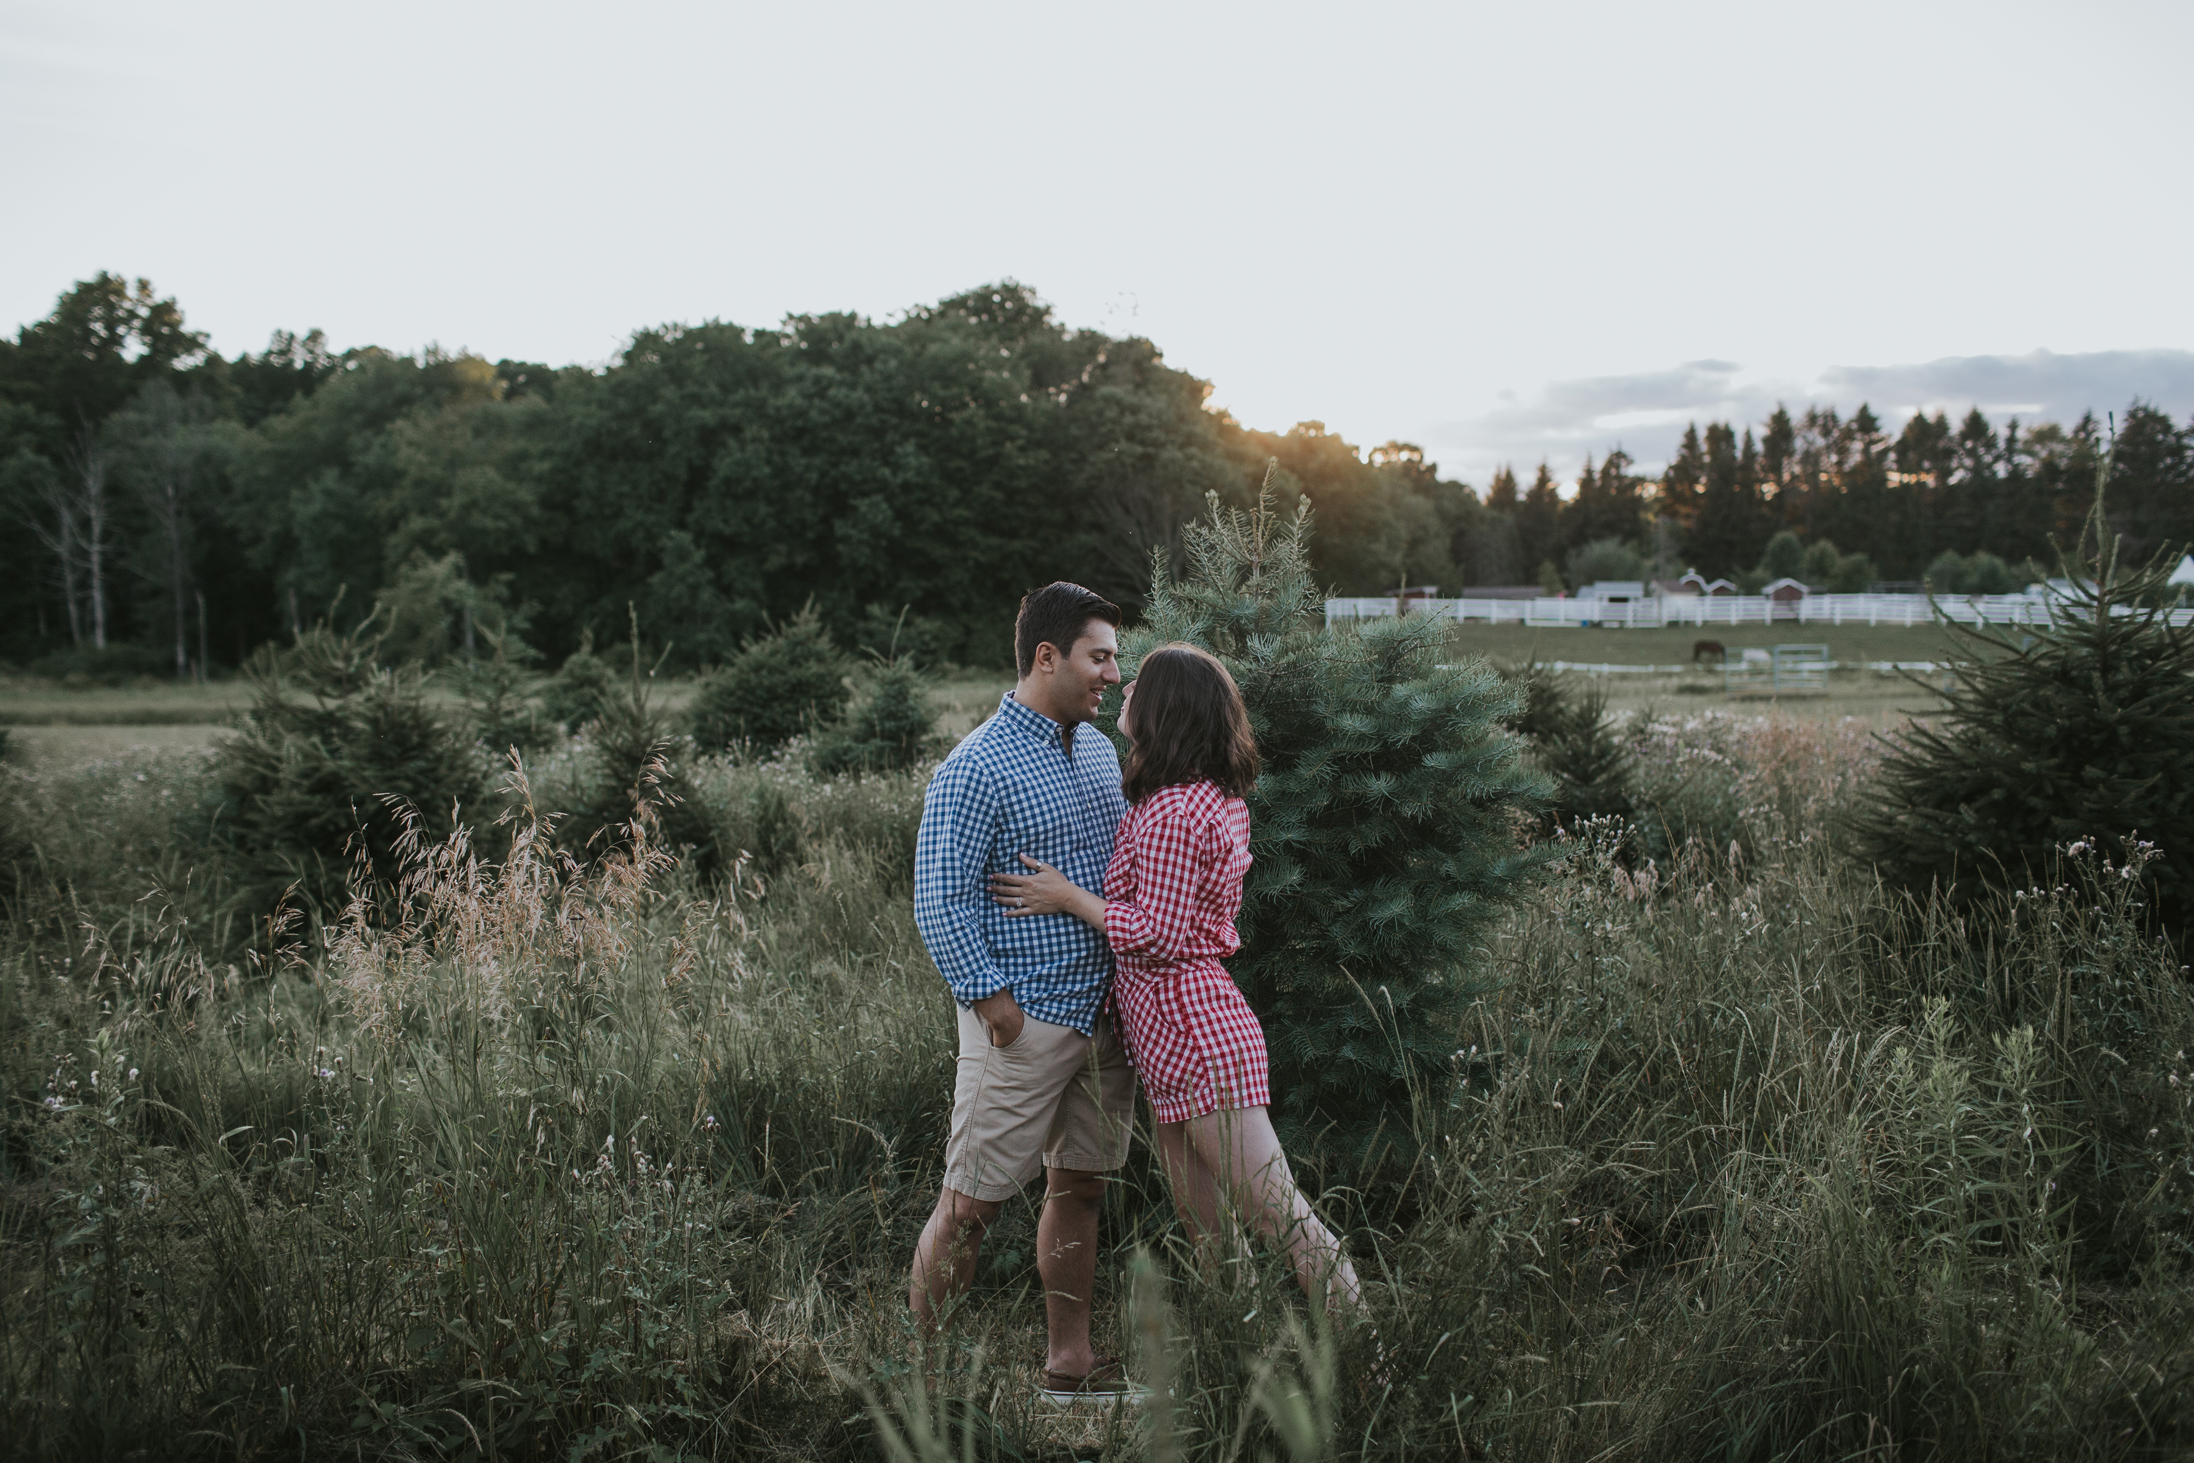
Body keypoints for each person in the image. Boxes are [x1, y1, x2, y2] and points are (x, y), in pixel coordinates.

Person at [992, 642, 1363, 1316]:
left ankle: (1373, 1371)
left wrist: (1069, 897)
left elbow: (1159, 933)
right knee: (1210, 1231)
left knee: (1285, 1220)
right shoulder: (1203, 795)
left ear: (1166, 708)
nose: (1123, 691)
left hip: (1195, 1036)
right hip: (1172, 1042)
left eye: (1138, 686)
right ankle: (1243, 1377)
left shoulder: (1171, 812)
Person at [908, 581, 1142, 1405]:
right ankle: (927, 1390)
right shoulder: (975, 766)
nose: (1115, 671)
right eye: (1100, 655)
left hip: (1103, 1017)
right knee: (969, 1204)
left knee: (1079, 1185)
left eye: (1114, 655)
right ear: (1048, 656)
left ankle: (1069, 1368)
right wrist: (993, 1004)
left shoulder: (1100, 752)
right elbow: (940, 896)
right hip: (1024, 1019)